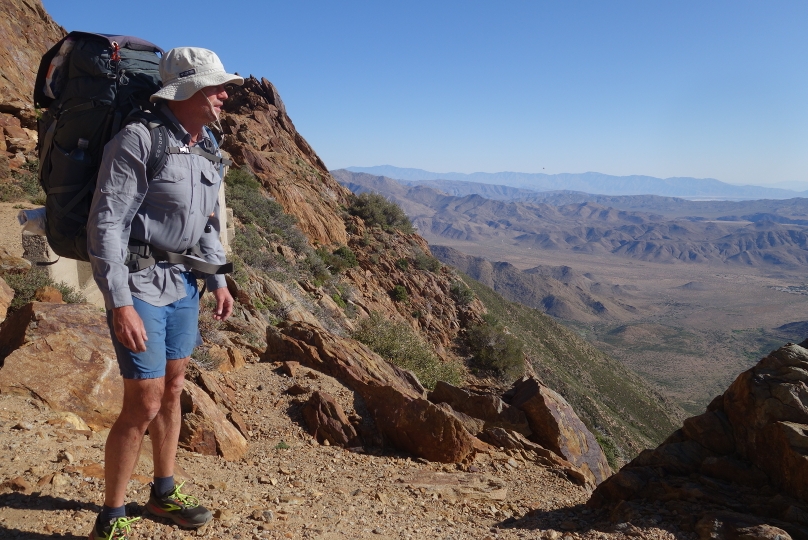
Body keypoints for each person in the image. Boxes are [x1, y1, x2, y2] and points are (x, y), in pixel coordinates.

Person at [86, 47, 242, 540]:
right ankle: (111, 516)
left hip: (182, 286)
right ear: (185, 91)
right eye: (215, 87)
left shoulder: (206, 144)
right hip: (139, 286)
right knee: (145, 402)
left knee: (174, 389)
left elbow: (205, 223)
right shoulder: (137, 139)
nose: (224, 95)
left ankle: (162, 492)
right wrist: (119, 302)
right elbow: (106, 225)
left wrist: (217, 278)